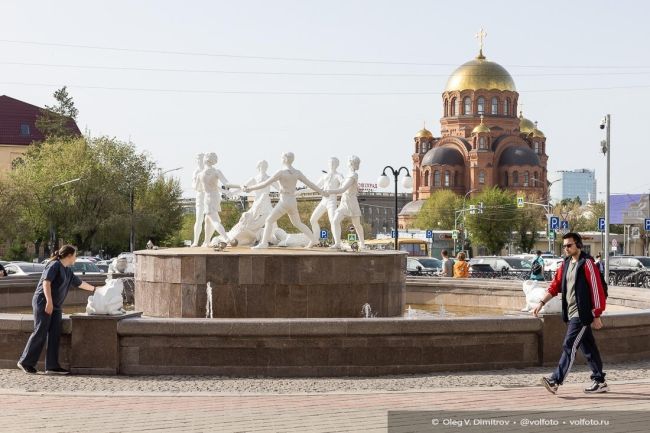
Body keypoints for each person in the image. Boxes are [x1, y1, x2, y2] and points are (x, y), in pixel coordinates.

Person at [533, 232, 608, 395]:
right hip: (572, 313)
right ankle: (600, 381)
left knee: (569, 344)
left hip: (582, 314)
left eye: (569, 245)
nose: (566, 248)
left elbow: (597, 291)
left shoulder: (587, 263)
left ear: (578, 245)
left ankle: (555, 380)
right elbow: (555, 286)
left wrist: (596, 314)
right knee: (588, 347)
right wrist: (541, 303)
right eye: (564, 245)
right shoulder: (566, 264)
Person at [17, 245, 100, 375]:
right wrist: (49, 301)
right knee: (40, 331)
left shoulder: (67, 270)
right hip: (43, 302)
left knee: (55, 334)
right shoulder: (54, 265)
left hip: (56, 306)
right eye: (75, 255)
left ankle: (52, 366)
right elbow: (46, 283)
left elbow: (80, 283)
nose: (76, 258)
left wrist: (97, 289)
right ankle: (25, 362)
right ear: (69, 256)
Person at [243, 152, 326, 249]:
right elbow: (310, 184)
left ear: (285, 159)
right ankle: (313, 239)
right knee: (297, 223)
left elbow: (264, 184)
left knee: (269, 220)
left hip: (284, 201)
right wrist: (322, 192)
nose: (281, 159)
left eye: (282, 158)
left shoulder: (281, 172)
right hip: (292, 201)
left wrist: (250, 188)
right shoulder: (297, 172)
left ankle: (264, 243)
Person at [325, 155, 364, 250]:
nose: (346, 163)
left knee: (357, 224)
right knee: (334, 221)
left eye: (347, 161)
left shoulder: (353, 175)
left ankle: (363, 244)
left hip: (351, 202)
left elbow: (342, 189)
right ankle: (337, 243)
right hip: (344, 201)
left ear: (350, 163)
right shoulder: (348, 175)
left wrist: (329, 191)